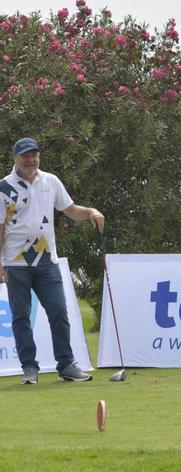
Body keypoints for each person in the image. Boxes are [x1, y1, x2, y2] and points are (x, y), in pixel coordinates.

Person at [0, 137, 105, 384]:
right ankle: (29, 368)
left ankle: (66, 365)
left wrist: (90, 211)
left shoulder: (51, 181)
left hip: (47, 260)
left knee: (59, 311)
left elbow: (70, 210)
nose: (30, 159)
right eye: (25, 155)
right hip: (16, 263)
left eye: (34, 154)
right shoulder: (4, 187)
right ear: (15, 158)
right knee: (21, 317)